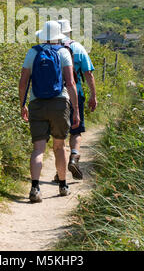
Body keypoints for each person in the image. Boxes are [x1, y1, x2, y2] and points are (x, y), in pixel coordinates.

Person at [19, 20, 80, 203]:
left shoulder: (33, 52)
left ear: (42, 35)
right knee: (59, 146)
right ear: (58, 36)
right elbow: (70, 83)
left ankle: (35, 188)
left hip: (36, 102)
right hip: (60, 103)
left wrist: (22, 104)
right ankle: (62, 186)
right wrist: (75, 109)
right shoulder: (63, 52)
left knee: (38, 148)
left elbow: (23, 82)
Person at [53, 19, 97, 182]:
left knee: (59, 137)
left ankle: (60, 172)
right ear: (69, 32)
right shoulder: (78, 48)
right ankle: (74, 156)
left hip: (56, 96)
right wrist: (93, 95)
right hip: (76, 93)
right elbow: (88, 74)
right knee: (76, 130)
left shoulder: (50, 49)